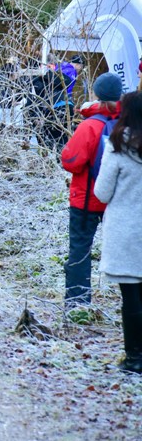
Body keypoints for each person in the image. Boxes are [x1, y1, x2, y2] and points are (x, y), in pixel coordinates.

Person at [60, 72, 123, 308]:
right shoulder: (128, 125)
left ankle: (77, 304)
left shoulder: (90, 125)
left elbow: (71, 161)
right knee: (125, 254)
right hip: (117, 201)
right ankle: (129, 303)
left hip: (85, 199)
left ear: (96, 94)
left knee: (80, 251)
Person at [93, 90, 142, 373]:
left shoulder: (118, 146)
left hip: (126, 231)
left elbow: (102, 192)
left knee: (131, 299)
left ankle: (135, 358)